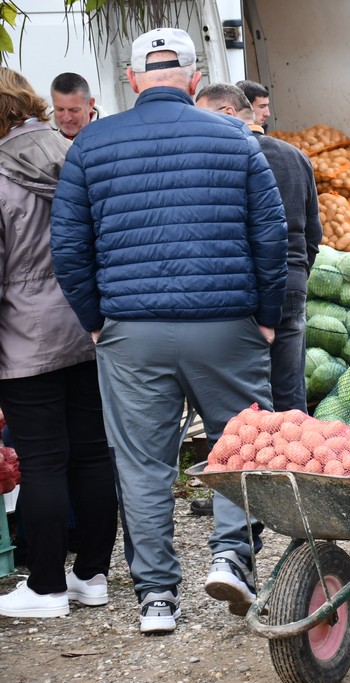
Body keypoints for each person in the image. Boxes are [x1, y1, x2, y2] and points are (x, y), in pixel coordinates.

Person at [50, 28, 288, 634]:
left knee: (142, 463)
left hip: (131, 330)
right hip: (225, 324)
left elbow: (69, 250)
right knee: (238, 446)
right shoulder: (237, 138)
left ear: (131, 80)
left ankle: (157, 597)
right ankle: (233, 556)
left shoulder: (90, 145)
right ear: (190, 77)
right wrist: (265, 316)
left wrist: (98, 322)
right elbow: (270, 238)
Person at [0, 68, 117, 619]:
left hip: (25, 337)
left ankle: (45, 587)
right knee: (93, 454)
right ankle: (92, 575)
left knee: (43, 461)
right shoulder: (75, 152)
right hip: (89, 327)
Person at [196, 83, 322, 411]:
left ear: (227, 112)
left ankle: (256, 461)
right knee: (289, 389)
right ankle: (296, 459)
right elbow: (313, 233)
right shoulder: (296, 156)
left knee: (244, 396)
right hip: (290, 283)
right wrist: (297, 271)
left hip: (239, 289)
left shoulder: (221, 158)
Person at [49, 72, 102, 140]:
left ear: (90, 104)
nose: (67, 118)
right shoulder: (38, 132)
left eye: (74, 110)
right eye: (60, 109)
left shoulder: (112, 133)